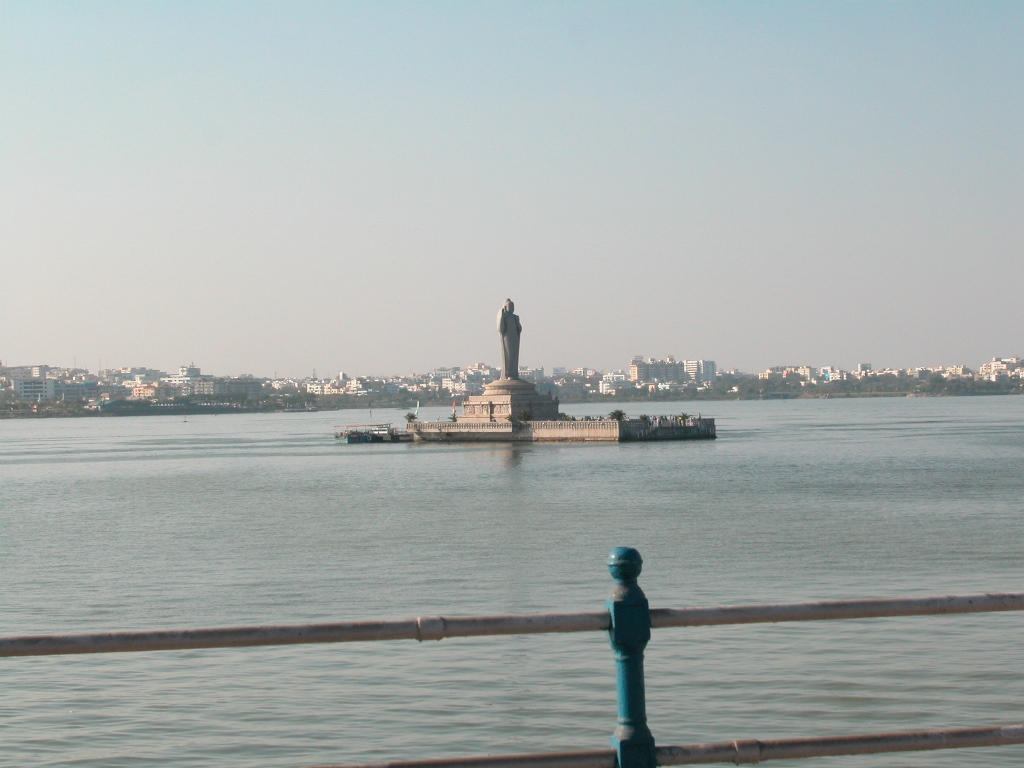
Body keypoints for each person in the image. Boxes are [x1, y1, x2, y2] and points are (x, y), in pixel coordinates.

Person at [497, 299, 522, 379]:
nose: (512, 308)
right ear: (505, 307)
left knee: (514, 355)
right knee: (508, 354)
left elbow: (520, 329)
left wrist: (517, 322)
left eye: (513, 306)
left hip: (515, 337)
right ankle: (508, 373)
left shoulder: (515, 317)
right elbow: (501, 329)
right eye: (510, 306)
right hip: (507, 338)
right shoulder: (504, 317)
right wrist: (501, 317)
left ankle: (514, 373)